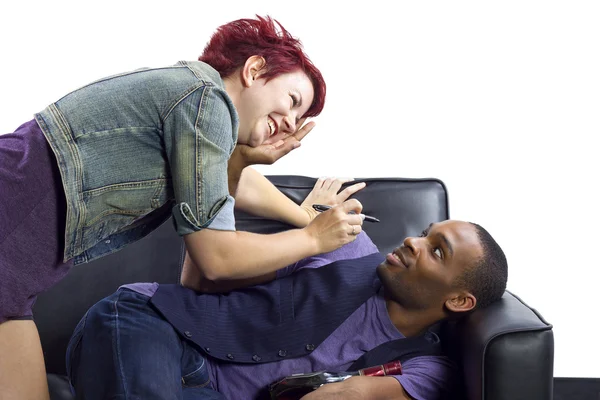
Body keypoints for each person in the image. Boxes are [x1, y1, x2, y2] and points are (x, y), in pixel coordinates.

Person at [0, 16, 367, 399]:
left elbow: (226, 181)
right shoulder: (205, 102)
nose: (291, 122)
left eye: (299, 119)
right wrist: (312, 238)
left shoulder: (196, 108)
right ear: (255, 69)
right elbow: (216, 259)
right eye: (293, 101)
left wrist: (304, 214)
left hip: (18, 274)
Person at [67, 218, 508, 400]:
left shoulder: (427, 369)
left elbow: (338, 398)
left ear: (459, 300)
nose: (413, 241)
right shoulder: (346, 246)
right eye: (425, 233)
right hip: (151, 323)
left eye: (436, 251)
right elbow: (205, 278)